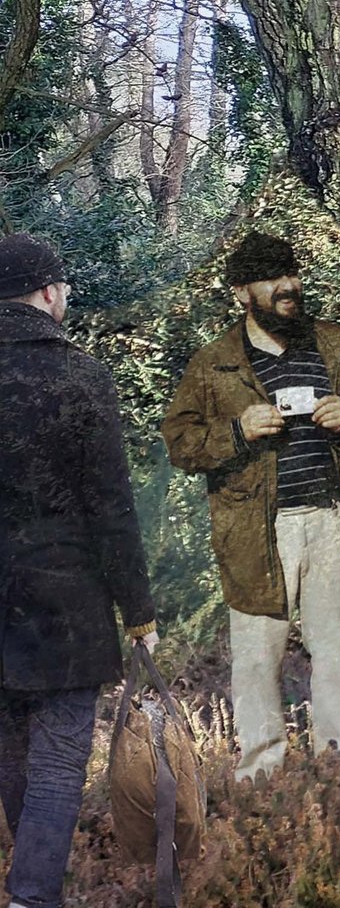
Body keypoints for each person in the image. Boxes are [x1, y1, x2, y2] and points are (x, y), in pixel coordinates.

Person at [159, 232, 340, 781]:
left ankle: (339, 761)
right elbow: (181, 443)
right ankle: (261, 775)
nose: (287, 287)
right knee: (257, 658)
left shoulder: (329, 346)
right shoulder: (214, 365)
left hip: (329, 519)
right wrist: (237, 431)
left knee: (335, 648)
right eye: (270, 277)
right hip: (257, 532)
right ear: (242, 292)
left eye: (291, 274)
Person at [0, 234, 157, 908]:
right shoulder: (80, 374)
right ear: (48, 293)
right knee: (60, 761)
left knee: (11, 755)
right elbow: (112, 512)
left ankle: (32, 885)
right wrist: (141, 614)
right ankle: (34, 897)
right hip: (67, 607)